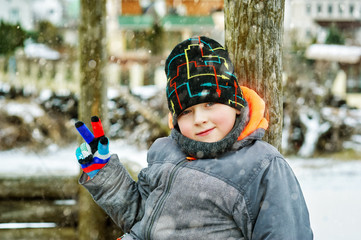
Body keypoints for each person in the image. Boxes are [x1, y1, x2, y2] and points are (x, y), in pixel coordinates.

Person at [75, 36, 313, 240]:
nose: (199, 119)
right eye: (186, 111)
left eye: (210, 103)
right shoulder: (164, 152)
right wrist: (105, 175)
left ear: (236, 105)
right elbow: (143, 219)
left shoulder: (261, 166)